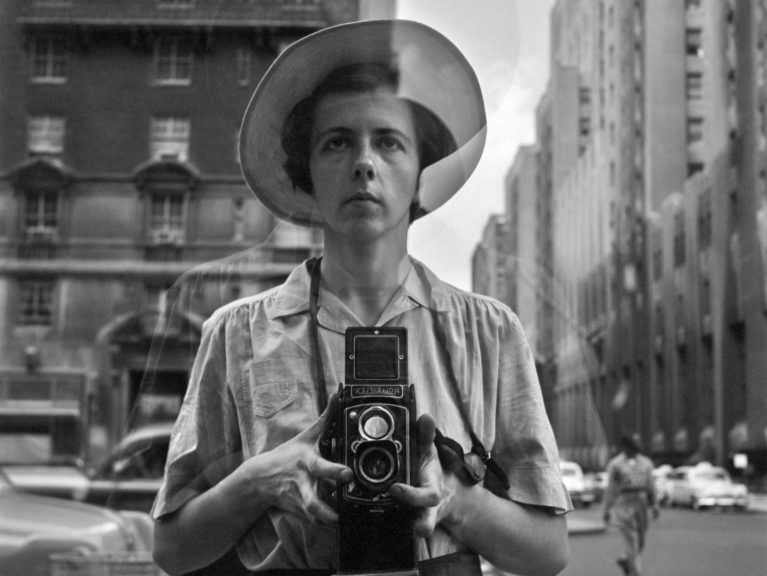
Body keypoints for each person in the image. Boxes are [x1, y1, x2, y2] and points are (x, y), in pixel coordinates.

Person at [151, 19, 571, 576]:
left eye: (389, 142)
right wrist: (260, 481)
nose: (364, 163)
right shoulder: (236, 334)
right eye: (338, 142)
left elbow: (549, 552)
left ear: (420, 170)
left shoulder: (488, 331)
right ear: (306, 170)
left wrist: (455, 500)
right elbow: (172, 549)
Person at [602, 434, 659, 576]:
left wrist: (654, 505)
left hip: (641, 501)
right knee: (630, 538)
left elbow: (651, 485)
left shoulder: (645, 463)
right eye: (631, 448)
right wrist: (606, 509)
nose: (634, 451)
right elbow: (611, 488)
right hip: (623, 502)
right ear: (624, 448)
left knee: (641, 540)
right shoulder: (616, 465)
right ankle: (635, 571)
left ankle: (627, 560)